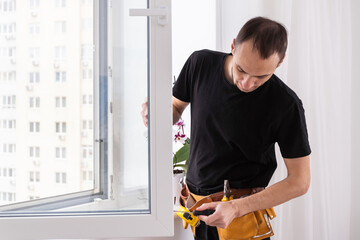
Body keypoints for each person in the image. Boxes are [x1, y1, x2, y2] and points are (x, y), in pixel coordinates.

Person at [141, 16, 311, 240]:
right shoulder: (199, 63)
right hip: (196, 211)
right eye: (241, 70)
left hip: (242, 220)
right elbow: (175, 108)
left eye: (261, 76)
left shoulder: (286, 104)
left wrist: (238, 207)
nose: (247, 83)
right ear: (232, 46)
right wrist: (156, 114)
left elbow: (299, 182)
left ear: (279, 63)